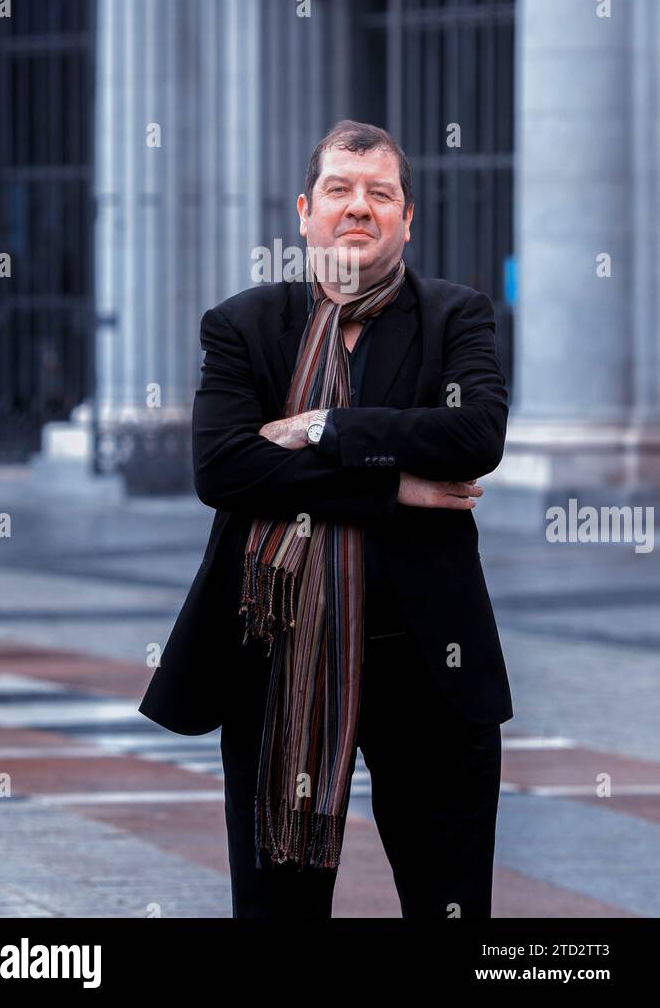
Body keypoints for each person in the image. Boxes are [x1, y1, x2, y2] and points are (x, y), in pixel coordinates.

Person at [139, 118, 513, 918]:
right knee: (281, 911)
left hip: (428, 665)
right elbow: (226, 469)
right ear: (305, 211)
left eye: (381, 193)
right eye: (340, 191)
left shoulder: (456, 317)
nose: (359, 208)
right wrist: (394, 489)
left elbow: (475, 436)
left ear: (408, 219)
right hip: (279, 660)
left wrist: (324, 428)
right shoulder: (244, 324)